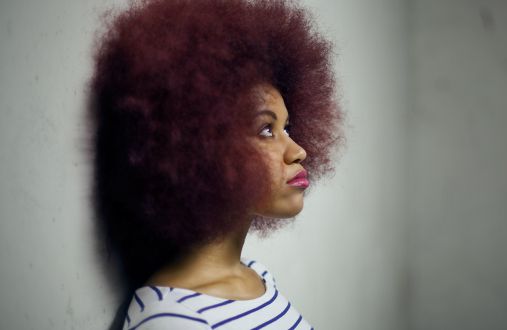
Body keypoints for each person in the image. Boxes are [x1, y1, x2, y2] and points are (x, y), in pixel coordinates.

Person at [87, 0, 344, 328]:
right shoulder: (173, 318)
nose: (298, 151)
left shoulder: (258, 278)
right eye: (266, 129)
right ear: (202, 145)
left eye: (287, 128)